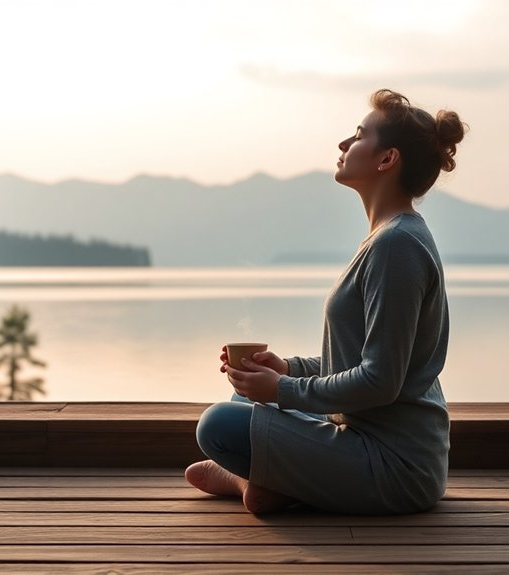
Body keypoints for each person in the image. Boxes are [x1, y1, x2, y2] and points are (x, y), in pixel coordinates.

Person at [185, 89, 466, 515]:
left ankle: (254, 479)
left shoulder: (398, 246)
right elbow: (362, 359)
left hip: (396, 466)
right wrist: (287, 370)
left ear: (387, 159)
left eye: (357, 135)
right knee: (244, 401)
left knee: (218, 425)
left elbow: (380, 381)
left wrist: (284, 388)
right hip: (358, 436)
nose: (343, 144)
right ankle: (271, 484)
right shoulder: (387, 238)